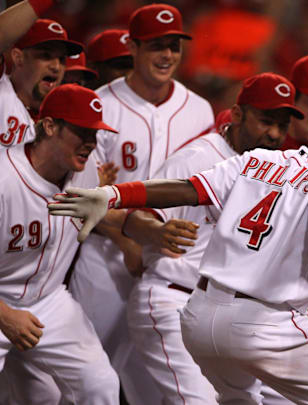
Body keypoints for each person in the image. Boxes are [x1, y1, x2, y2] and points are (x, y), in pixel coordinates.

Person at [49, 98, 308, 404]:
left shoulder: (260, 160)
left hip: (200, 318)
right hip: (266, 326)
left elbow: (188, 188)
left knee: (238, 400)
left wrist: (115, 194)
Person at [122, 72, 303, 404]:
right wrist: (156, 231)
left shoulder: (277, 166)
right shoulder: (198, 158)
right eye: (266, 121)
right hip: (173, 298)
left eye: (282, 124)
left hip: (227, 313)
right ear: (236, 115)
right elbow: (135, 216)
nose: (275, 133)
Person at [67, 4, 213, 404]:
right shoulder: (100, 105)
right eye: (155, 47)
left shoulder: (199, 110)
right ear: (131, 47)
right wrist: (127, 240)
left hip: (171, 262)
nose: (166, 56)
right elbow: (82, 197)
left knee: (159, 383)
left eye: (173, 47)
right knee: (89, 376)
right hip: (105, 257)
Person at [0, 83, 120, 404]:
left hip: (49, 300)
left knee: (100, 384)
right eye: (82, 132)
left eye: (95, 134)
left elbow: (102, 213)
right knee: (38, 394)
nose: (90, 144)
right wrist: (5, 316)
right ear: (50, 126)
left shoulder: (85, 173)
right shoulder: (3, 179)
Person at [2, 18, 82, 147]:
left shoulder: (62, 124)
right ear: (18, 57)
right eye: (46, 56)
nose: (56, 67)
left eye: (61, 59)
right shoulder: (2, 91)